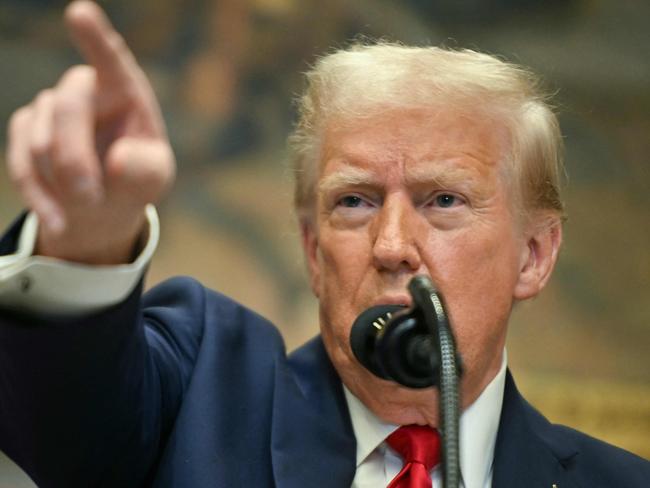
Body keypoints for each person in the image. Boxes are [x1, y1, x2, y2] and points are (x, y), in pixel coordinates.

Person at [0, 1, 647, 487]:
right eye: (355, 202)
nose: (392, 245)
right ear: (313, 251)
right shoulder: (199, 390)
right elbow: (67, 416)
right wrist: (84, 245)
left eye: (443, 201)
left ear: (534, 256)